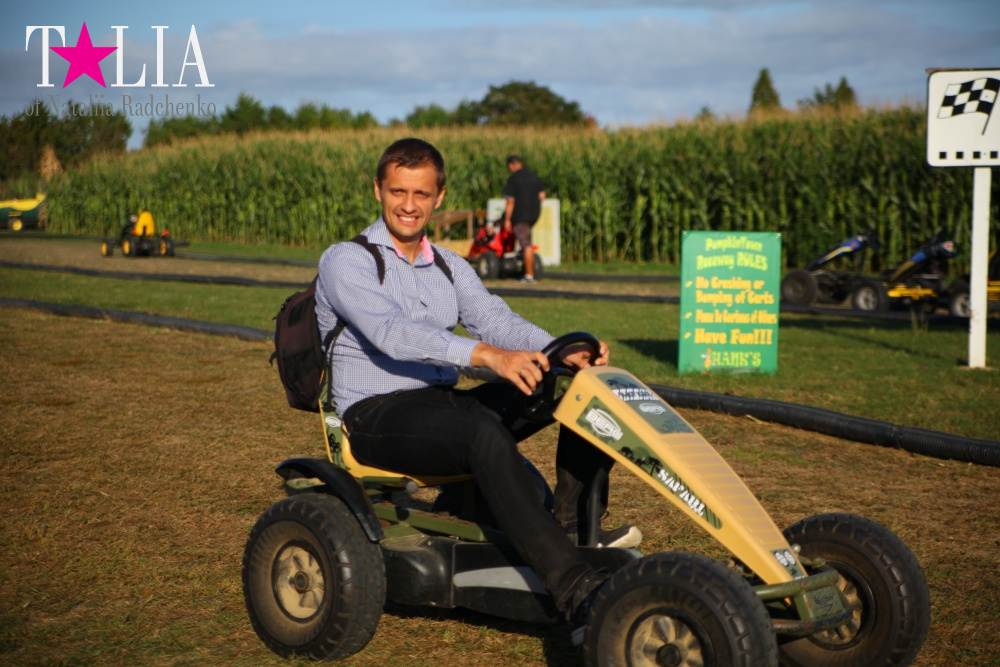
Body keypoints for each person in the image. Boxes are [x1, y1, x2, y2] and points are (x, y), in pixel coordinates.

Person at [314, 138, 640, 626]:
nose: (408, 205)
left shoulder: (449, 265)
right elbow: (391, 332)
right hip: (375, 415)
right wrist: (485, 356)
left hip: (440, 405)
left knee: (579, 389)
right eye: (398, 191)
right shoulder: (347, 260)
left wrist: (563, 351)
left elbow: (495, 318)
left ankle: (571, 530)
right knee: (481, 433)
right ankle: (576, 589)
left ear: (439, 196)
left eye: (421, 194)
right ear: (378, 190)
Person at [503, 155, 546, 283]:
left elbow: (510, 201)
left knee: (526, 244)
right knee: (526, 241)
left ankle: (529, 275)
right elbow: (542, 196)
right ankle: (528, 270)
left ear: (510, 165)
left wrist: (507, 220)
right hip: (534, 214)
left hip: (520, 216)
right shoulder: (533, 176)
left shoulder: (513, 179)